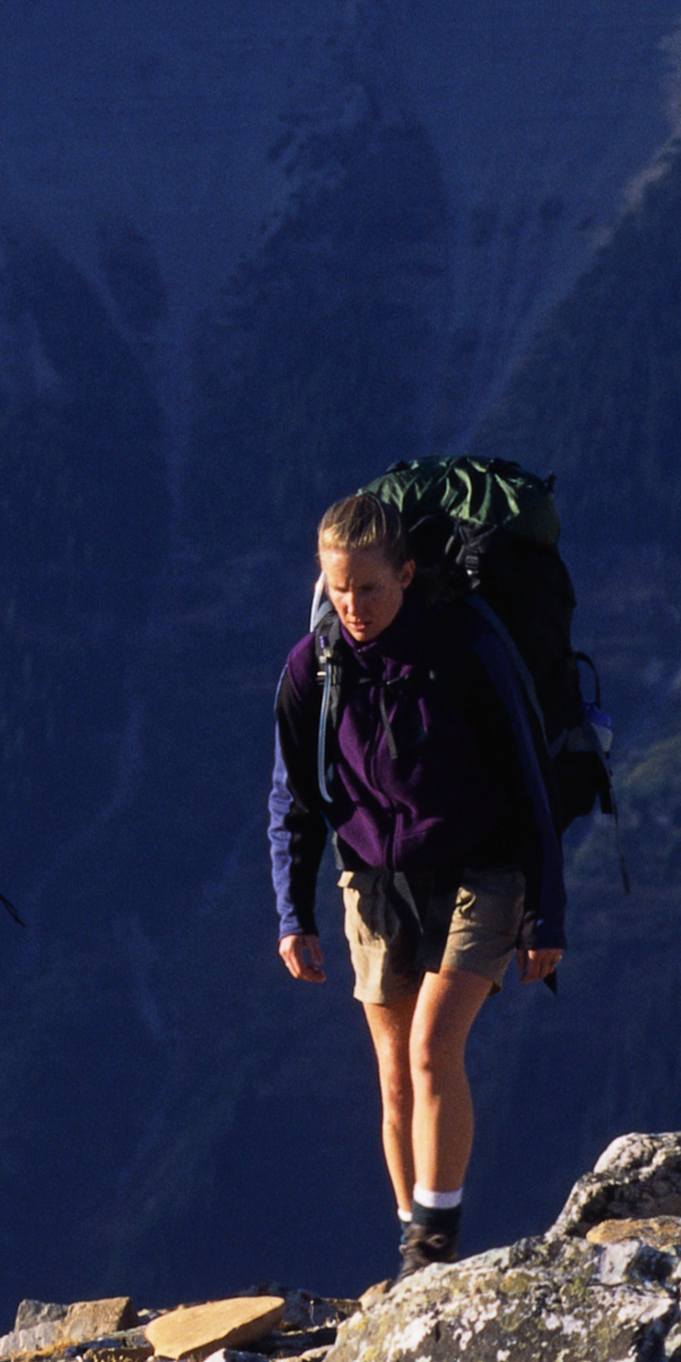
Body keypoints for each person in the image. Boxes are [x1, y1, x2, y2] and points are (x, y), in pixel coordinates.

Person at [267, 493, 567, 1272]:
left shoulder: (466, 647)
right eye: (339, 590)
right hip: (373, 876)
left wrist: (547, 913)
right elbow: (295, 796)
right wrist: (291, 911)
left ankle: (434, 1241)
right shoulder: (314, 666)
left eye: (370, 588)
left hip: (483, 867)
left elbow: (530, 783)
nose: (354, 606)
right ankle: (413, 1245)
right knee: (395, 1069)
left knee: (435, 1045)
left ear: (406, 573)